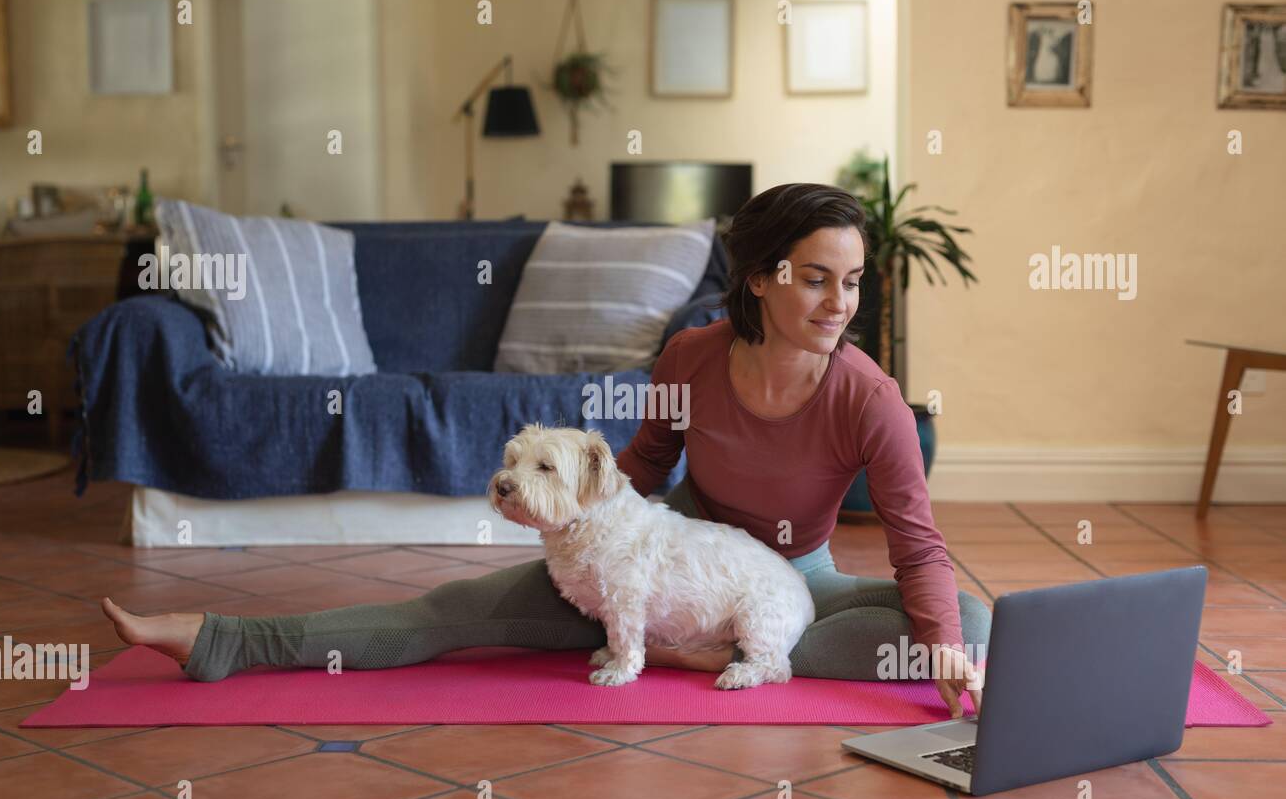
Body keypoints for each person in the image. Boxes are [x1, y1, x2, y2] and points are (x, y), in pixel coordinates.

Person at [103, 183, 989, 716]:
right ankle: (224, 640)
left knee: (972, 626)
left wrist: (943, 643)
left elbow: (916, 539)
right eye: (815, 278)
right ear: (759, 279)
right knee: (452, 611)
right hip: (664, 555)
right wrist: (576, 529)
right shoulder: (692, 356)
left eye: (853, 281)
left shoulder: (867, 396)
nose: (840, 303)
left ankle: (699, 651)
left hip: (800, 572)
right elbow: (640, 472)